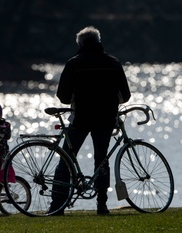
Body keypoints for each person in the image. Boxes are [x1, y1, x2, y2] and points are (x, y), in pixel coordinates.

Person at [49, 26, 131, 215]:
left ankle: (57, 205)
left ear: (80, 44)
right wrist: (110, 101)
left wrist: (76, 100)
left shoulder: (74, 64)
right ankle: (101, 205)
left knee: (67, 158)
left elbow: (62, 96)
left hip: (81, 118)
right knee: (101, 160)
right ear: (99, 41)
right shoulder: (113, 63)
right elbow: (125, 95)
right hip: (106, 118)